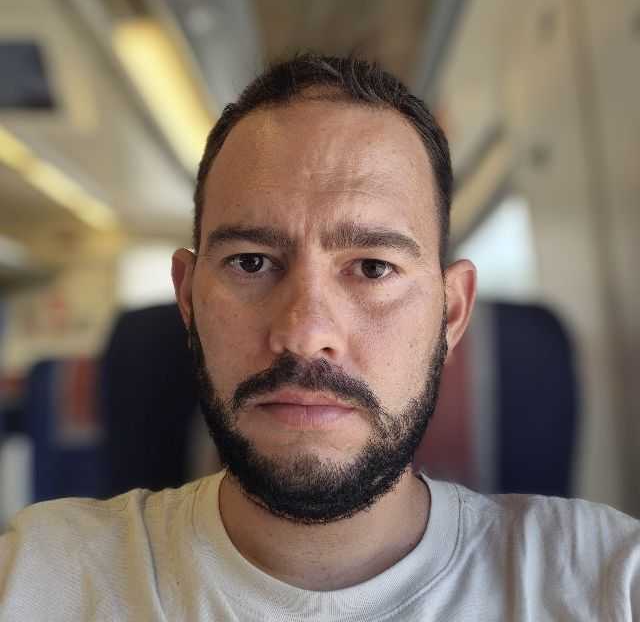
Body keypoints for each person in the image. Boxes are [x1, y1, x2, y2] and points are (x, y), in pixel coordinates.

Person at [1, 54, 638, 621]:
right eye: (251, 262)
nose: (305, 336)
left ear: (451, 312)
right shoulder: (36, 580)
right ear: (188, 297)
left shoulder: (605, 583)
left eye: (373, 268)